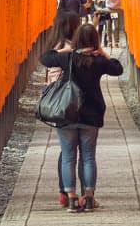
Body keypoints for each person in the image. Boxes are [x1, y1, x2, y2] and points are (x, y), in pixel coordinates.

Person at [39, 20, 124, 211]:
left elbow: (45, 58)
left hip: (67, 112)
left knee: (68, 156)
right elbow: (118, 69)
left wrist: (66, 51)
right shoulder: (99, 61)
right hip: (92, 114)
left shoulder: (68, 58)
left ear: (76, 39)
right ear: (95, 40)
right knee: (88, 157)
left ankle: (71, 198)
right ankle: (88, 197)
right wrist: (102, 52)